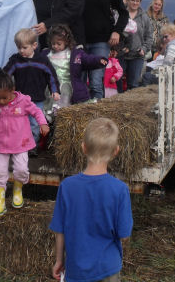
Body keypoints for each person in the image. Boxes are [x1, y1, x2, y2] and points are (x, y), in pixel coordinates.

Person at [50, 118, 133, 282]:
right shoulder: (119, 189)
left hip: (76, 269)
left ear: (83, 147)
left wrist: (59, 260)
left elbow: (59, 230)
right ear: (116, 151)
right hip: (107, 269)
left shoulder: (67, 186)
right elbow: (124, 234)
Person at [0, 70, 49, 216]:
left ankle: (17, 189)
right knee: (0, 173)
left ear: (12, 90)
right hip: (0, 144)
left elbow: (37, 112)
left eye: (4, 98)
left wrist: (43, 123)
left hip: (21, 143)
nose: (1, 101)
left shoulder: (23, 101)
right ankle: (0, 204)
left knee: (21, 170)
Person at [4, 28, 60, 156]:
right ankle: (19, 145)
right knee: (19, 122)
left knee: (35, 123)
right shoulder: (16, 60)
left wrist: (55, 91)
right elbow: (6, 74)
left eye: (24, 47)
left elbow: (51, 75)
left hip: (37, 99)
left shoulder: (42, 60)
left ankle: (32, 146)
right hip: (19, 100)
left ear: (34, 45)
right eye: (19, 48)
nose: (21, 51)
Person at [81, 0, 129, 100]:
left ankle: (98, 116)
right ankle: (79, 114)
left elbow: (123, 13)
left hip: (102, 41)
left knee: (96, 82)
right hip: (80, 40)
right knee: (80, 82)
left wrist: (117, 31)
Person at [41, 24, 108, 106]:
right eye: (53, 43)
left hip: (70, 87)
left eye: (58, 44)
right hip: (52, 89)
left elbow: (87, 59)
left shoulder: (75, 53)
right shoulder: (47, 54)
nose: (55, 46)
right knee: (51, 109)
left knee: (67, 109)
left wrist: (98, 60)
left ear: (66, 41)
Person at [117, 0, 153, 92]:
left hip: (137, 55)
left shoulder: (144, 17)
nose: (135, 3)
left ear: (140, 2)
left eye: (137, 1)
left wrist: (144, 49)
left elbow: (149, 36)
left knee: (133, 84)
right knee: (117, 79)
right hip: (121, 54)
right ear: (127, 0)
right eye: (133, 0)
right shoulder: (121, 14)